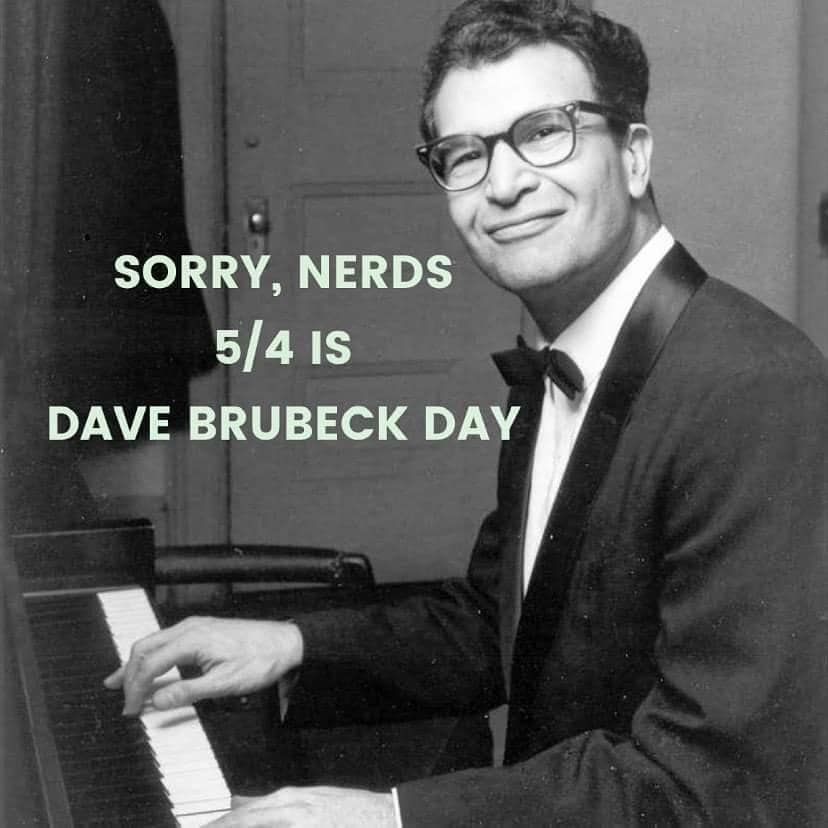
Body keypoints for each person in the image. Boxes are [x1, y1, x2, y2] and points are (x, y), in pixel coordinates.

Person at [105, 1, 828, 824]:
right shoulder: (560, 361)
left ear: (634, 156)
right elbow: (504, 622)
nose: (505, 184)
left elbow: (713, 788)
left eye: (545, 132)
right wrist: (291, 642)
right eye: (466, 154)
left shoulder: (754, 390)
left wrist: (390, 817)